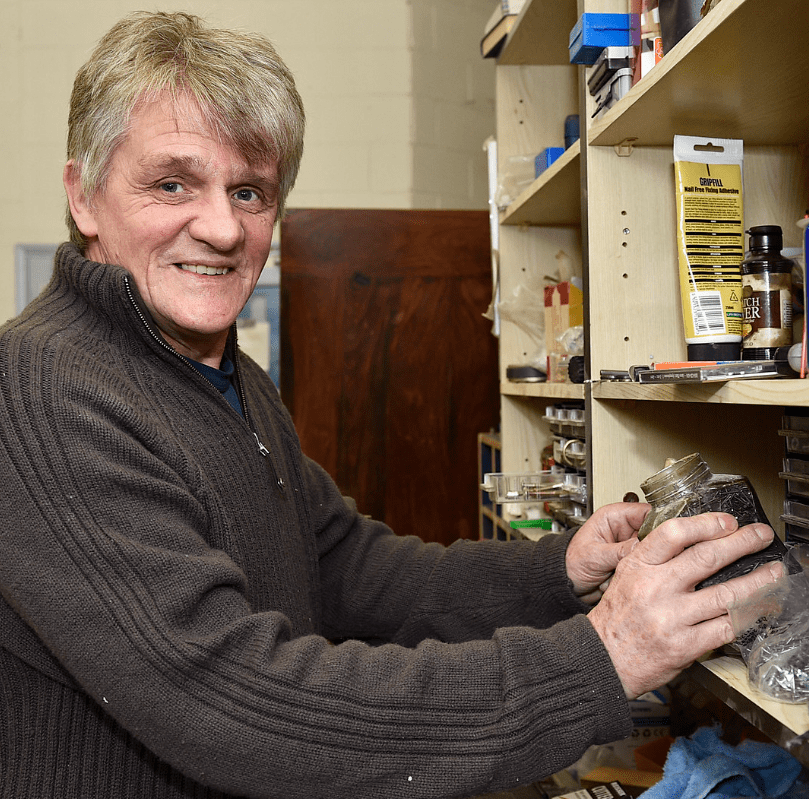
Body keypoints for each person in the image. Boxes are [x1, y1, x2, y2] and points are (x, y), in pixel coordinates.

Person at [0, 11, 782, 799]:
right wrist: (602, 657)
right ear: (84, 195)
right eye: (172, 183)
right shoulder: (42, 390)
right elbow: (237, 701)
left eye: (250, 191)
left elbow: (344, 567)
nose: (221, 227)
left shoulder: (222, 372)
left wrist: (561, 568)